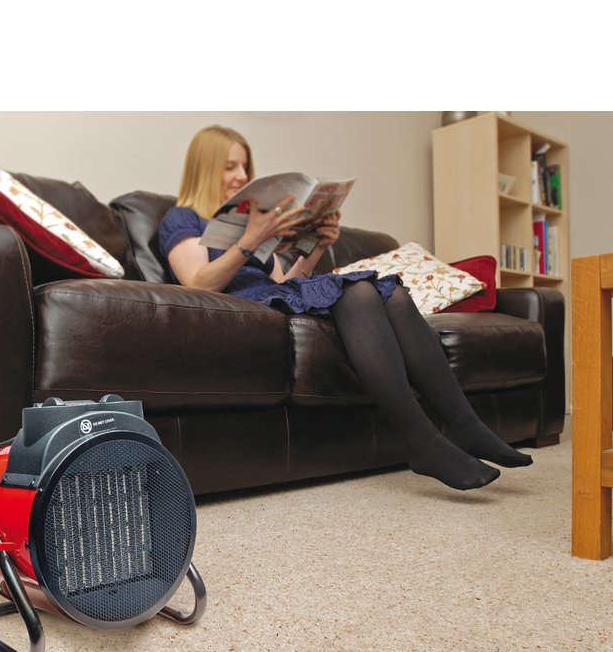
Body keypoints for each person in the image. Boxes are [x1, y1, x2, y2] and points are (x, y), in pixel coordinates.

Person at [159, 125, 532, 491]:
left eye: (244, 166)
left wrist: (317, 246)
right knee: (360, 291)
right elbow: (198, 282)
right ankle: (423, 442)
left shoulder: (250, 226)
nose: (241, 175)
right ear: (204, 168)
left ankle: (465, 422)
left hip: (269, 298)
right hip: (239, 306)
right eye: (229, 167)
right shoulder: (183, 218)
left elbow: (282, 284)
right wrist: (252, 237)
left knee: (393, 294)